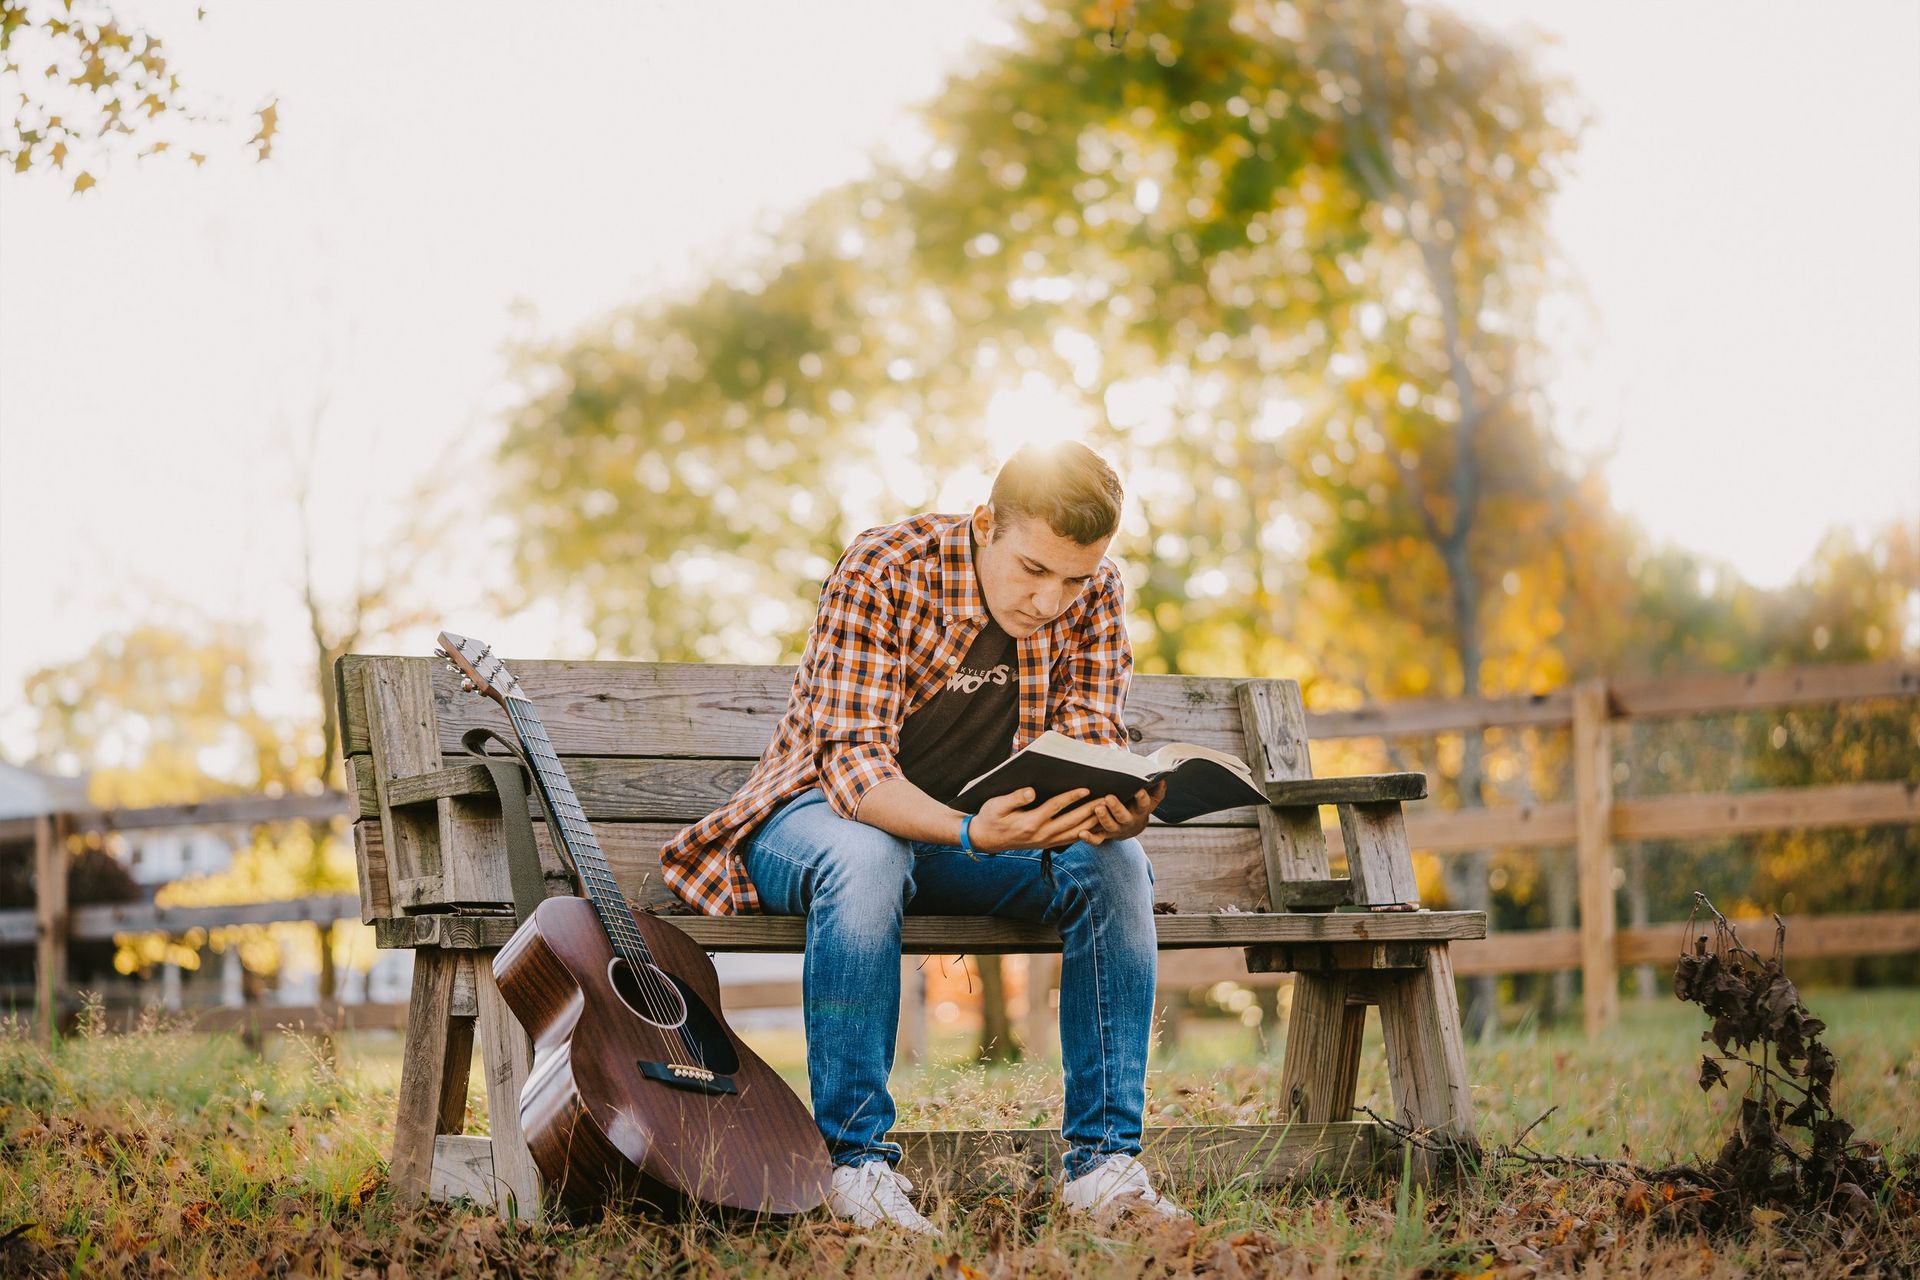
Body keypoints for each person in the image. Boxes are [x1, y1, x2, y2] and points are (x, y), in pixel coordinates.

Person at [660, 441, 1187, 1233]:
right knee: (871, 857)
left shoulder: (1097, 591)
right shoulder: (887, 566)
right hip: (817, 822)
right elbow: (854, 768)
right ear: (985, 525)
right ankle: (856, 1166)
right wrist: (971, 830)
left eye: (1074, 578)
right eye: (1034, 570)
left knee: (1117, 863)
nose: (1053, 599)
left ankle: (1105, 1167)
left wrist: (1113, 806)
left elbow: (1087, 739)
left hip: (978, 839)